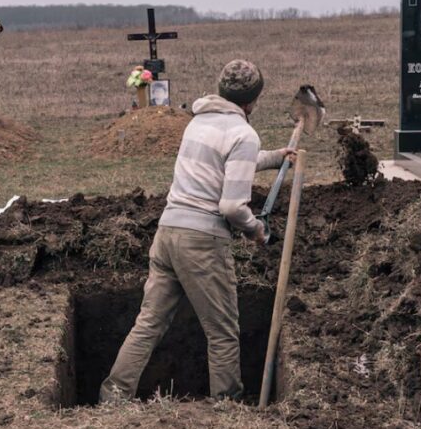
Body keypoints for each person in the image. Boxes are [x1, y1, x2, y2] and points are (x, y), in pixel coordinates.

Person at [100, 59, 294, 403]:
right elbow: (232, 207)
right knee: (221, 333)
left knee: (149, 324)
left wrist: (276, 157)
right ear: (251, 101)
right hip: (203, 243)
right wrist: (256, 231)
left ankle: (113, 396)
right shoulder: (243, 133)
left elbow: (229, 160)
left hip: (168, 232)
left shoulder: (197, 123)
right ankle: (227, 407)